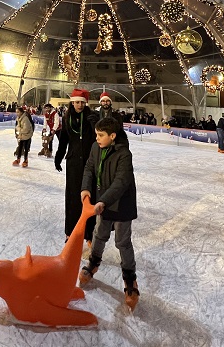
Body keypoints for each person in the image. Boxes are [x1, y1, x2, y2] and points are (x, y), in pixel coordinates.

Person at [79, 116, 139, 310]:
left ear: (112, 136)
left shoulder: (124, 154)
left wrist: (103, 200)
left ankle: (130, 279)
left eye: (101, 135)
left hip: (121, 204)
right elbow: (89, 167)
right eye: (96, 134)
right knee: (99, 234)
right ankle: (93, 263)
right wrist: (86, 188)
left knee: (122, 242)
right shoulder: (96, 147)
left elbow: (121, 182)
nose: (96, 138)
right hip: (101, 202)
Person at [55, 88, 98, 246]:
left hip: (89, 163)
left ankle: (90, 234)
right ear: (72, 102)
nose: (79, 105)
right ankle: (71, 232)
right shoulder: (67, 118)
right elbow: (64, 140)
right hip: (73, 164)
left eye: (82, 102)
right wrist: (59, 157)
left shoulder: (91, 117)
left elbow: (100, 138)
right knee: (73, 198)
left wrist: (96, 125)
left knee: (89, 197)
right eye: (76, 102)